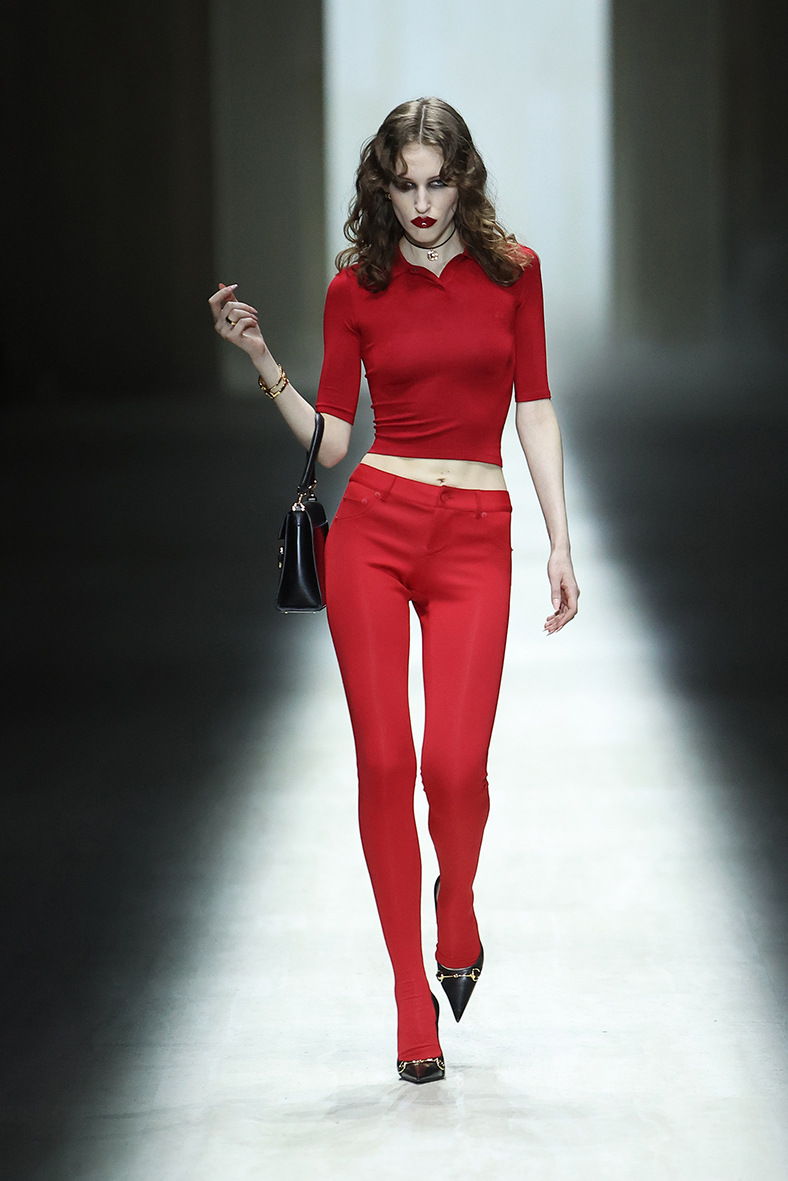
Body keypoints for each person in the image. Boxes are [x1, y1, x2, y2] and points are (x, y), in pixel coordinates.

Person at [208, 97, 579, 1084]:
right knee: (385, 763)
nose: (421, 202)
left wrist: (559, 540)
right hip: (373, 530)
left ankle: (456, 901)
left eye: (437, 182)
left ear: (464, 180)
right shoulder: (356, 288)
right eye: (404, 184)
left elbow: (535, 409)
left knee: (455, 769)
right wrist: (263, 360)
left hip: (476, 537)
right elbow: (334, 440)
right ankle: (413, 999)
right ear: (384, 186)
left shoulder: (515, 273)